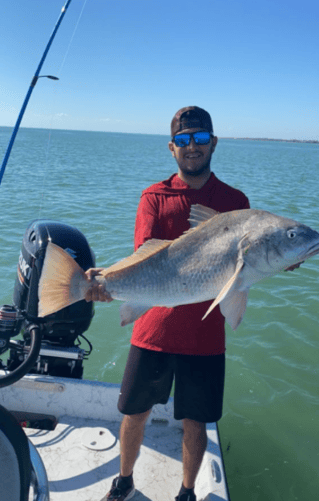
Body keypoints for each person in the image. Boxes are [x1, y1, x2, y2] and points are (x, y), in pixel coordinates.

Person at [86, 106, 250, 501]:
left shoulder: (235, 201)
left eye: (198, 138)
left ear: (213, 143)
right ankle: (124, 481)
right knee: (134, 413)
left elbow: (253, 258)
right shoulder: (154, 197)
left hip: (206, 338)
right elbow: (142, 257)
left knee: (196, 422)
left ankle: (187, 492)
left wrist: (287, 257)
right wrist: (107, 281)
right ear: (171, 148)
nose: (191, 146)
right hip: (153, 331)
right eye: (182, 139)